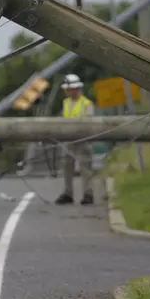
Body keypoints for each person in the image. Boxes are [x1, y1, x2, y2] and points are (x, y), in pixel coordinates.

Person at [56, 73, 95, 205]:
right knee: (67, 167)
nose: (66, 91)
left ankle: (88, 194)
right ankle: (68, 193)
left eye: (68, 89)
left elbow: (88, 122)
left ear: (75, 89)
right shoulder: (66, 103)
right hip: (68, 140)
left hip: (83, 139)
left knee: (86, 168)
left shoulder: (87, 104)